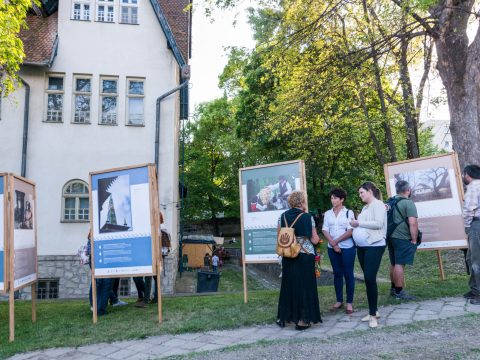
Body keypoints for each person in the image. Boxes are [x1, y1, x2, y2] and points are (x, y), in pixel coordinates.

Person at [276, 190, 322, 330]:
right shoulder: (307, 217)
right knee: (305, 287)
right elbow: (314, 239)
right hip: (304, 255)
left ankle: (284, 317)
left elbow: (280, 236)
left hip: (288, 254)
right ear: (302, 202)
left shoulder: (282, 216)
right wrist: (318, 242)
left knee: (288, 285)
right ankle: (303, 320)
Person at [350, 182, 387, 328]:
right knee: (368, 279)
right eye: (359, 193)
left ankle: (373, 316)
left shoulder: (378, 205)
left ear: (370, 191)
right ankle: (374, 311)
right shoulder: (365, 207)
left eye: (362, 193)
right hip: (363, 247)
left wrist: (358, 223)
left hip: (374, 245)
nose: (360, 196)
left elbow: (378, 224)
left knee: (370, 278)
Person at [322, 188, 356, 314]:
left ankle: (349, 303)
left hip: (347, 248)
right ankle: (339, 300)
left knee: (348, 274)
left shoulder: (349, 213)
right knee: (337, 274)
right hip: (332, 248)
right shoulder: (327, 213)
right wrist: (332, 243)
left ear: (342, 199)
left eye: (335, 198)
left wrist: (336, 241)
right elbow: (325, 229)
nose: (333, 200)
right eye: (331, 198)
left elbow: (350, 230)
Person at [387, 180, 419, 300]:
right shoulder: (408, 203)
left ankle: (393, 288)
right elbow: (413, 223)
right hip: (402, 237)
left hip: (390, 236)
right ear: (408, 190)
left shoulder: (390, 201)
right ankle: (399, 292)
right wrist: (414, 239)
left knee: (394, 263)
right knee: (400, 263)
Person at [462, 165, 480, 305]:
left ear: (467, 174)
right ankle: (474, 289)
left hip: (477, 225)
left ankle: (478, 293)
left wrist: (467, 227)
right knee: (472, 257)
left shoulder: (474, 187)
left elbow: (469, 209)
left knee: (476, 260)